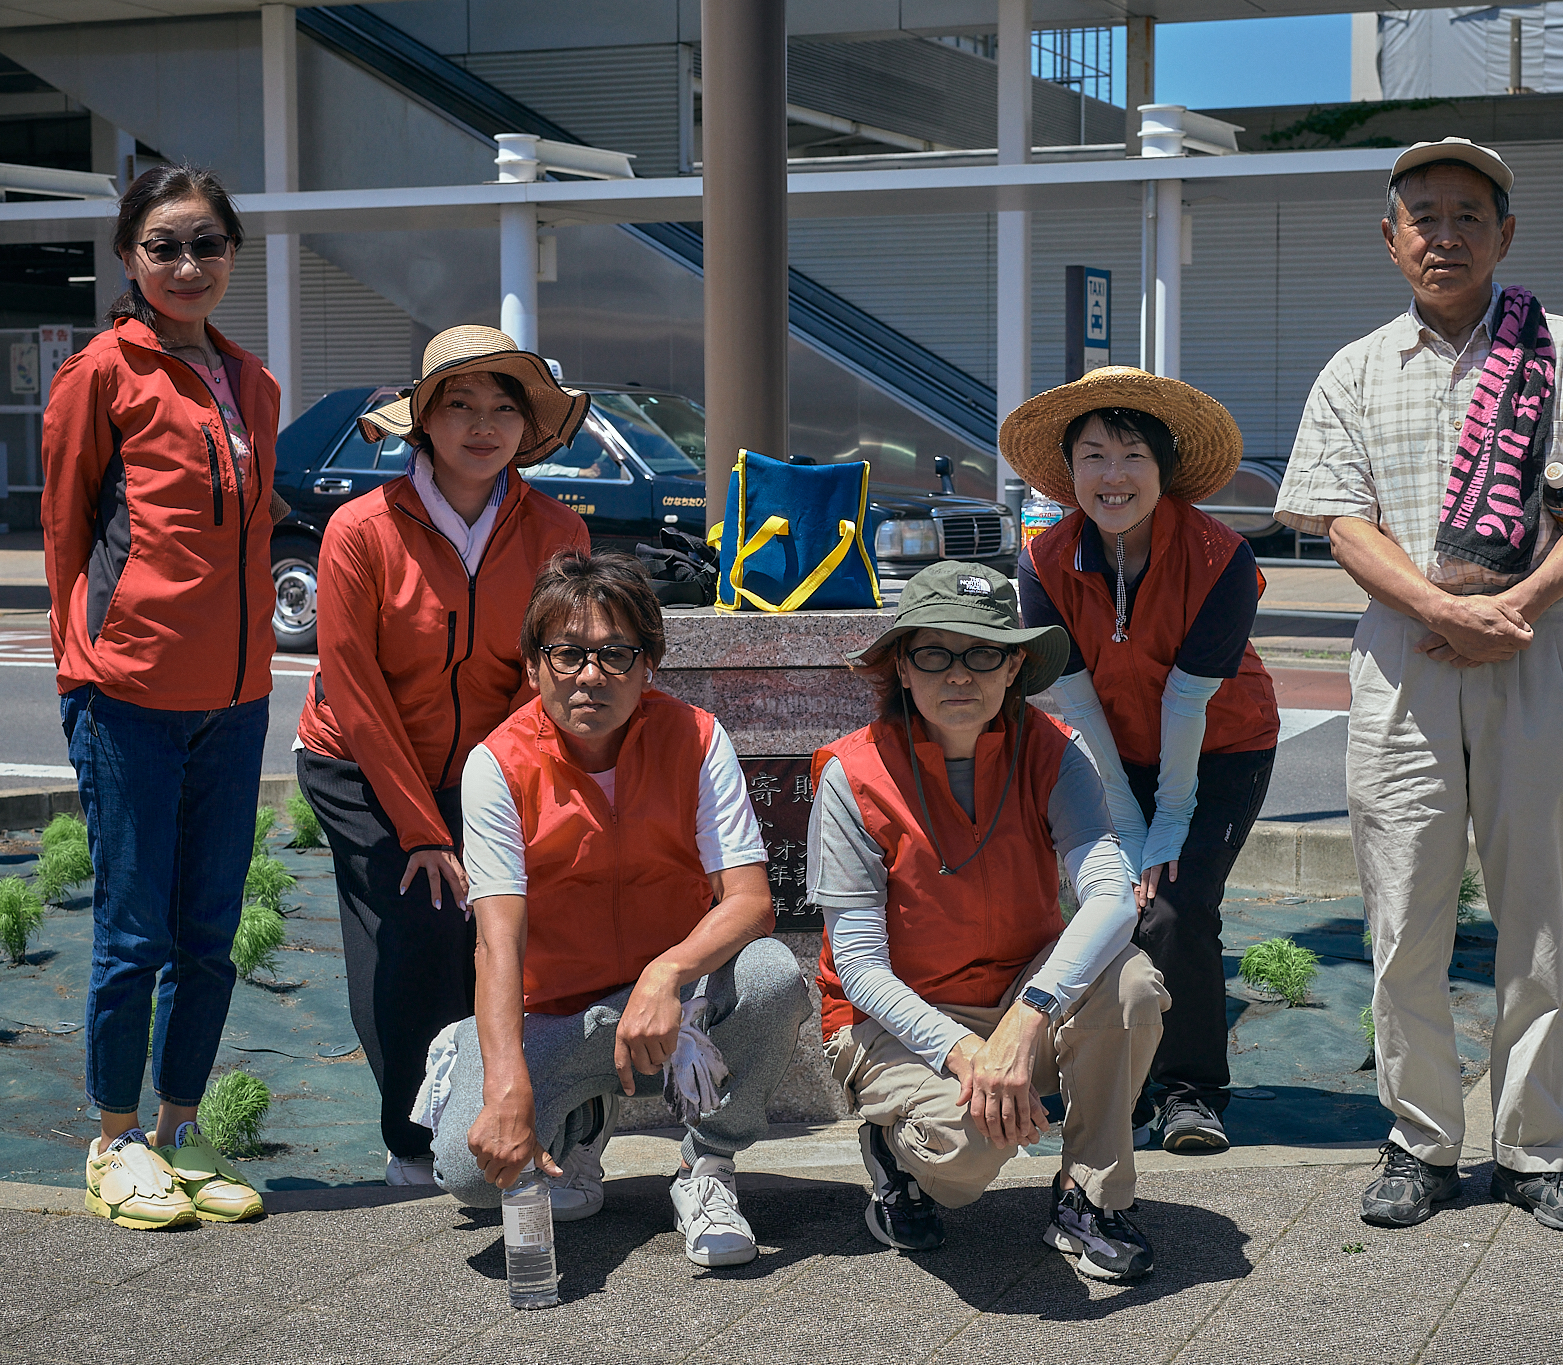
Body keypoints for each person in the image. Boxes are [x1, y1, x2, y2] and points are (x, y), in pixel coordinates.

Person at [1275, 138, 1563, 1232]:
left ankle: (1536, 1150)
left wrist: (1524, 604)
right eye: (1421, 215)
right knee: (1403, 913)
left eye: (1465, 214)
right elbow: (1340, 520)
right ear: (1389, 237)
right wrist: (1443, 609)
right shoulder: (1355, 369)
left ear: (1504, 233)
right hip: (1406, 658)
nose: (1441, 233)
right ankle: (1418, 1144)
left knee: (1535, 913)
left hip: (1535, 651)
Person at [427, 551, 811, 1267]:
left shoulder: (696, 737)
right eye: (568, 653)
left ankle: (707, 1167)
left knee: (771, 974)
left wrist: (665, 974)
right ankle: (569, 1114)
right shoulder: (496, 766)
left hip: (676, 1006)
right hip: (557, 1013)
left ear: (649, 663)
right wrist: (507, 1082)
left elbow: (752, 901)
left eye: (615, 654)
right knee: (471, 1171)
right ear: (534, 664)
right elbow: (497, 942)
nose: (590, 675)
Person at [810, 561, 1169, 1281]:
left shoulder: (1056, 750)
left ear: (1015, 666)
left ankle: (1087, 1198)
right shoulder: (851, 773)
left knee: (1131, 984)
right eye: (935, 653)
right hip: (893, 1021)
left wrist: (1028, 1015)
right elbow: (859, 964)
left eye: (983, 653)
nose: (959, 674)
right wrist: (963, 1053)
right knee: (968, 1154)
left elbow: (1109, 895)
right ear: (902, 668)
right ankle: (894, 1153)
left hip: (1018, 997)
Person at [294, 326, 591, 1190]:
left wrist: (492, 791)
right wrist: (427, 830)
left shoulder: (557, 527)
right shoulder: (360, 529)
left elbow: (549, 667)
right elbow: (356, 688)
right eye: (459, 404)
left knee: (495, 930)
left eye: (504, 407)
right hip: (358, 763)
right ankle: (410, 1139)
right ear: (423, 420)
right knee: (412, 933)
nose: (482, 424)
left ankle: (497, 1113)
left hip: (490, 765)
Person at [42, 165, 279, 1229]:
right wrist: (81, 663)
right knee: (132, 934)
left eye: (208, 245)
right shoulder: (101, 372)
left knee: (209, 933)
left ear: (232, 254)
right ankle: (113, 1141)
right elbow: (61, 534)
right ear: (128, 259)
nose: (189, 266)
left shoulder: (253, 384)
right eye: (165, 247)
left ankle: (180, 1133)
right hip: (129, 692)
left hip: (235, 702)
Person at [1005, 368, 1281, 1155]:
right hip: (1109, 747)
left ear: (1163, 470)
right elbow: (1077, 700)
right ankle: (1109, 1080)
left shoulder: (1220, 556)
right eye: (1092, 455)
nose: (1113, 475)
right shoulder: (1043, 560)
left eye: (1132, 455)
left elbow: (1189, 702)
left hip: (1224, 745)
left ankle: (1192, 1092)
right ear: (1069, 472)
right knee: (1108, 898)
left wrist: (1168, 824)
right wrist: (1126, 818)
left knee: (1177, 902)